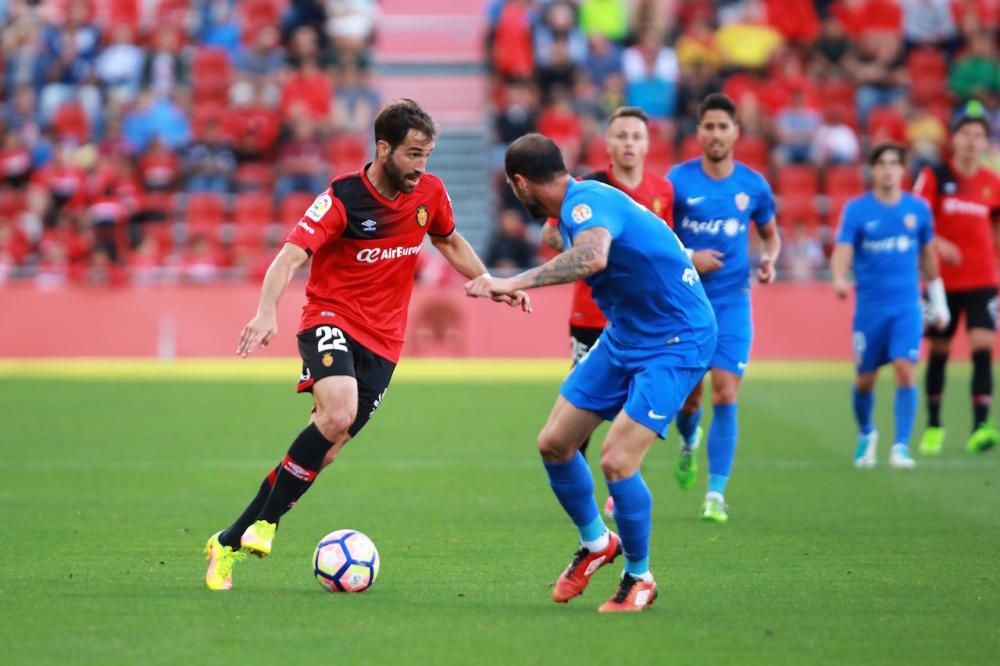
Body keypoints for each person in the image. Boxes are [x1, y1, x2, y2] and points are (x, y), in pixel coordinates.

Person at [204, 100, 530, 591]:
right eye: (414, 155)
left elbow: (448, 240)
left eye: (428, 155)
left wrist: (491, 280)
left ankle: (228, 541)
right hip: (330, 318)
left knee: (327, 449)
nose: (421, 167)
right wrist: (267, 310)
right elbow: (290, 255)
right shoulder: (342, 198)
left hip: (385, 341)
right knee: (336, 416)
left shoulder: (430, 193)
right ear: (384, 148)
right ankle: (267, 524)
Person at [466, 134, 717, 613]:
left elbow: (593, 255)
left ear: (520, 183)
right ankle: (597, 542)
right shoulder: (573, 208)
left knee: (617, 460)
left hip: (678, 338)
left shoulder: (586, 202)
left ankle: (639, 576)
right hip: (627, 333)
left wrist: (512, 280)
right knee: (555, 443)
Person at [667, 93, 781, 523]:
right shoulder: (677, 182)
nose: (715, 134)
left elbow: (770, 234)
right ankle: (688, 440)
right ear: (698, 132)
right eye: (708, 126)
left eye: (723, 126)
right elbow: (657, 239)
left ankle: (716, 493)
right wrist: (690, 255)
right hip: (688, 303)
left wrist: (770, 257)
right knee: (691, 399)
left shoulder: (753, 185)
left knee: (726, 391)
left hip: (733, 302)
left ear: (736, 132)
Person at [541, 107, 674, 463]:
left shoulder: (663, 191)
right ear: (608, 143)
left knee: (635, 407)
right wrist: (592, 251)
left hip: (642, 316)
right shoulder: (589, 187)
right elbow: (551, 233)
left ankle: (621, 485)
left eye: (636, 136)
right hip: (591, 313)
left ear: (647, 144)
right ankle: (580, 491)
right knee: (580, 407)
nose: (629, 143)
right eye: (621, 136)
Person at [831, 144, 949, 470]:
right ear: (873, 170)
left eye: (894, 163)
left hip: (906, 306)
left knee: (905, 369)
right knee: (865, 380)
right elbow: (842, 249)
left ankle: (900, 447)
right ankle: (867, 432)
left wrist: (938, 302)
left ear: (902, 169)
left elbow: (928, 255)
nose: (888, 169)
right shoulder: (857, 210)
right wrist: (840, 278)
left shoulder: (918, 209)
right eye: (881, 163)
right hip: (870, 308)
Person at [913, 103, 1000, 455]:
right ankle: (934, 426)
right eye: (965, 134)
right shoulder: (935, 175)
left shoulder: (991, 183)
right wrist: (937, 241)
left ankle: (981, 426)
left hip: (982, 280)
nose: (971, 141)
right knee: (939, 352)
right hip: (941, 283)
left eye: (978, 136)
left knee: (983, 350)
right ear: (955, 139)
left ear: (985, 143)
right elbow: (915, 217)